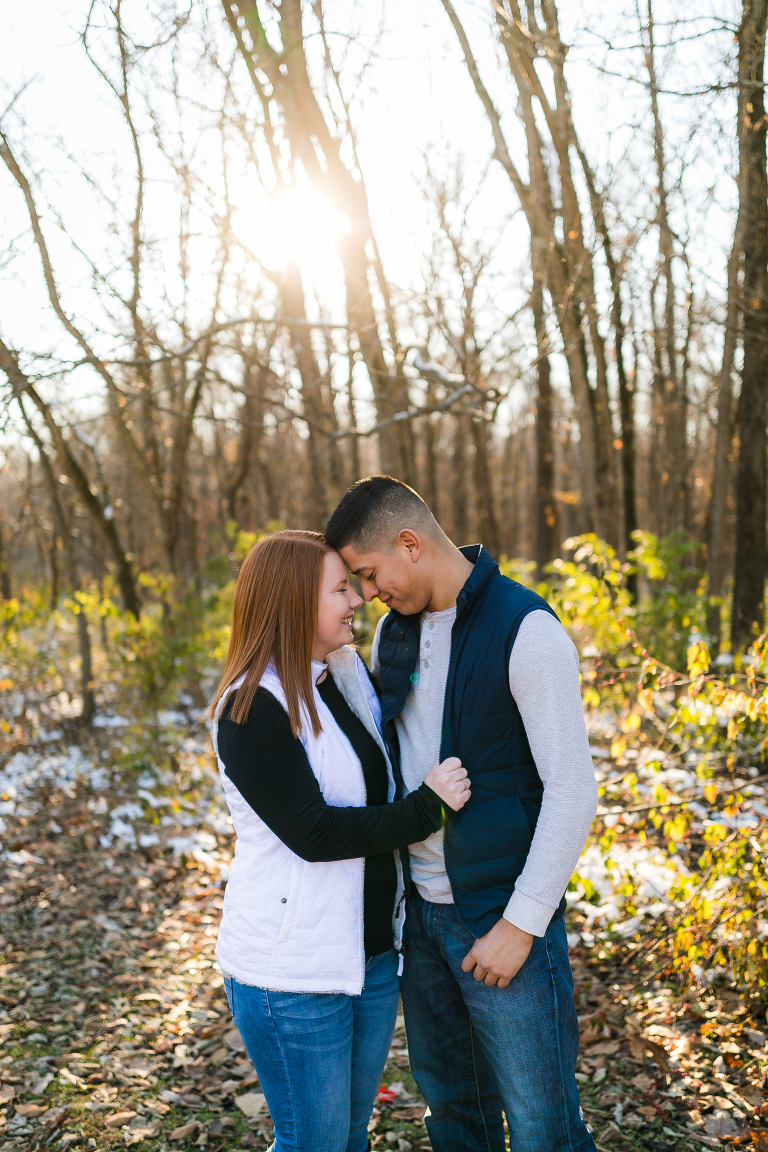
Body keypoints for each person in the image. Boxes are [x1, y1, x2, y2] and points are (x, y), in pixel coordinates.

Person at [325, 478, 599, 1152]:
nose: (367, 593)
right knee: (453, 1115)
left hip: (503, 924)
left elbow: (573, 789)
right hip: (421, 922)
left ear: (410, 544)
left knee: (543, 1127)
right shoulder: (395, 631)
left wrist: (521, 924)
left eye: (368, 573)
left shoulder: (527, 630)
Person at [208, 529, 471, 1152]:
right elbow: (316, 833)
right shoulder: (250, 708)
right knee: (313, 1142)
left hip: (369, 959)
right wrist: (426, 810)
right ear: (295, 601)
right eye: (339, 589)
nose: (356, 600)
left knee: (348, 1137)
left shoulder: (339, 681)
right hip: (293, 973)